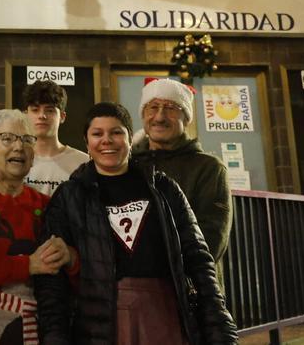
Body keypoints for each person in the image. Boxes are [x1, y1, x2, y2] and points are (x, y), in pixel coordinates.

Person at [33, 102, 237, 345]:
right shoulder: (69, 197)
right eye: (97, 134)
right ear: (87, 143)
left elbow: (199, 259)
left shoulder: (163, 188)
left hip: (166, 317)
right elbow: (51, 280)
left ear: (130, 138)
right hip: (97, 324)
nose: (107, 140)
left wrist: (220, 329)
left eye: (116, 132)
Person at [0, 110, 72, 344]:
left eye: (27, 140)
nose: (19, 147)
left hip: (47, 318)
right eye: (7, 138)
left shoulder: (49, 205)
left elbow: (74, 269)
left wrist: (69, 256)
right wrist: (27, 265)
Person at [130, 78, 232, 279]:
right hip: (135, 285)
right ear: (143, 115)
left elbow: (212, 238)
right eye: (153, 107)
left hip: (190, 286)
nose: (160, 117)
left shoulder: (209, 168)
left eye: (170, 108)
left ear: (186, 118)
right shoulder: (129, 165)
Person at [21, 81, 88, 196]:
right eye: (35, 110)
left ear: (62, 116)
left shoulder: (83, 163)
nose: (42, 116)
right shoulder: (16, 160)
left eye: (50, 110)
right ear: (26, 114)